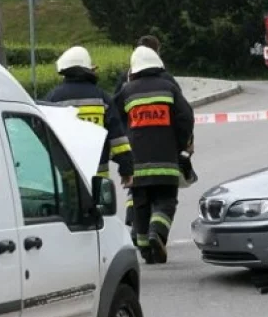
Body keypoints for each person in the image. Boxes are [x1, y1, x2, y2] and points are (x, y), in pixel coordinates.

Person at [112, 46, 195, 264]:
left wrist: (123, 150)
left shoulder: (126, 92)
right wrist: (180, 144)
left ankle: (145, 249)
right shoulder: (169, 88)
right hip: (166, 159)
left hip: (136, 163)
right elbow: (185, 118)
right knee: (166, 200)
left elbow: (114, 121)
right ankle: (157, 233)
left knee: (140, 203)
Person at [42, 46, 134, 188]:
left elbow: (43, 136)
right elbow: (117, 139)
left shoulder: (52, 98)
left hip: (64, 176)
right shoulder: (101, 98)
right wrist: (126, 169)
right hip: (98, 177)